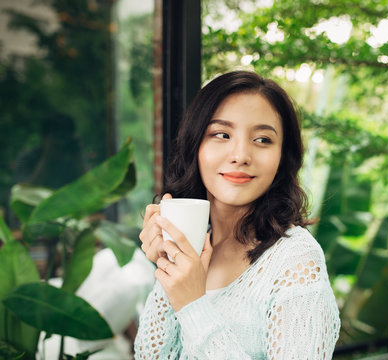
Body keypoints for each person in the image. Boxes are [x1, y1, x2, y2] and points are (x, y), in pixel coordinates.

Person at [134, 71, 340, 359]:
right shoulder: (193, 244)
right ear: (196, 146)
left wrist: (193, 305)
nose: (241, 154)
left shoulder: (295, 259)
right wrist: (168, 266)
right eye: (222, 134)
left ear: (283, 158)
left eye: (263, 139)